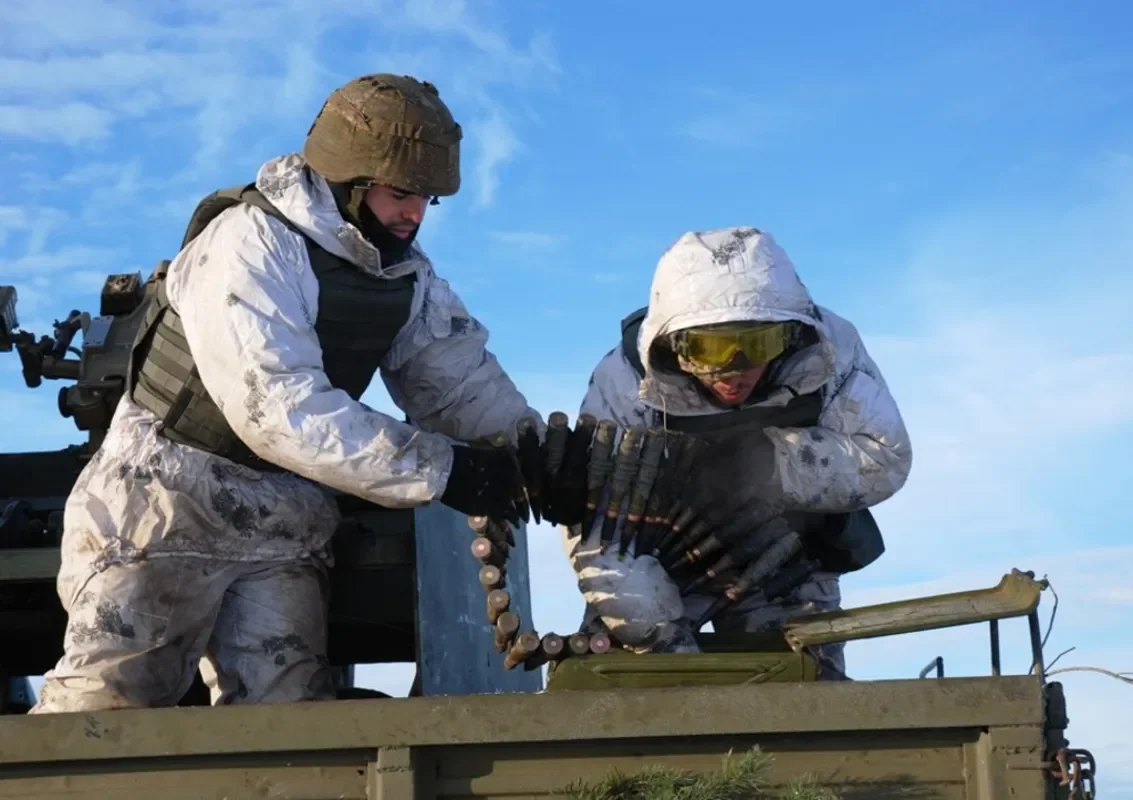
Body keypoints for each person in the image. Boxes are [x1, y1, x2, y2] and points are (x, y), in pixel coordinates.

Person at [31, 74, 540, 712]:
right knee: (103, 710)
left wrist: (534, 454)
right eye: (401, 193)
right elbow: (275, 405)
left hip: (279, 521)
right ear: (348, 180)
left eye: (426, 199)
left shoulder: (404, 276)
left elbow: (457, 380)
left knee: (287, 723)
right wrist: (446, 468)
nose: (414, 213)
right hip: (163, 506)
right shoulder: (250, 242)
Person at [560, 226, 912, 677]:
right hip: (660, 565)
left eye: (754, 345)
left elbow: (884, 455)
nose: (732, 371)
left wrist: (766, 465)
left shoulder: (830, 351)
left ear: (786, 334)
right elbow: (597, 523)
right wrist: (657, 633)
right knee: (628, 692)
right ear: (672, 343)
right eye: (706, 349)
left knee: (806, 697)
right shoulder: (626, 380)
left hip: (788, 560)